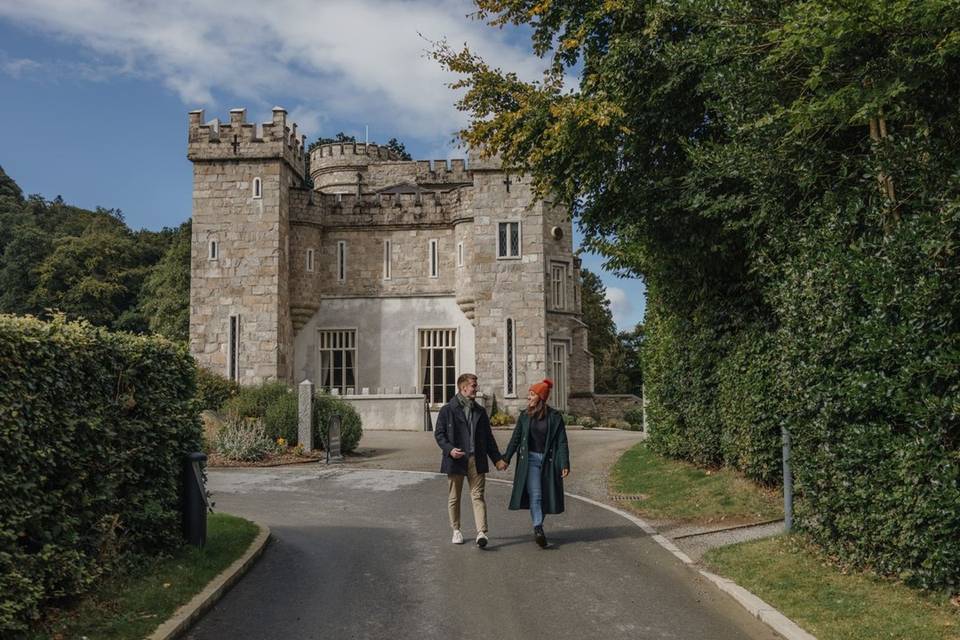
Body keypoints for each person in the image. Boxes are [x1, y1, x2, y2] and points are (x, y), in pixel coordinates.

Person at [434, 373, 507, 547]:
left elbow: (488, 439)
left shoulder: (480, 411)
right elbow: (439, 434)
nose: (476, 388)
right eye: (473, 385)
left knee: (478, 496)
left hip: (477, 459)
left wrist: (497, 459)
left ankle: (481, 533)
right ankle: (456, 530)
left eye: (476, 385)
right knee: (454, 497)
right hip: (456, 460)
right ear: (463, 387)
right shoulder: (447, 410)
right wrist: (450, 450)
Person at [501, 379, 570, 548]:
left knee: (546, 495)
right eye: (529, 394)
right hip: (530, 460)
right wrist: (506, 458)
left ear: (540, 397)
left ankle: (538, 524)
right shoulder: (525, 416)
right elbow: (516, 439)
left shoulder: (555, 417)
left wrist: (564, 464)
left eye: (531, 394)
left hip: (549, 461)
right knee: (536, 494)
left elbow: (562, 442)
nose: (528, 397)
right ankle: (538, 527)